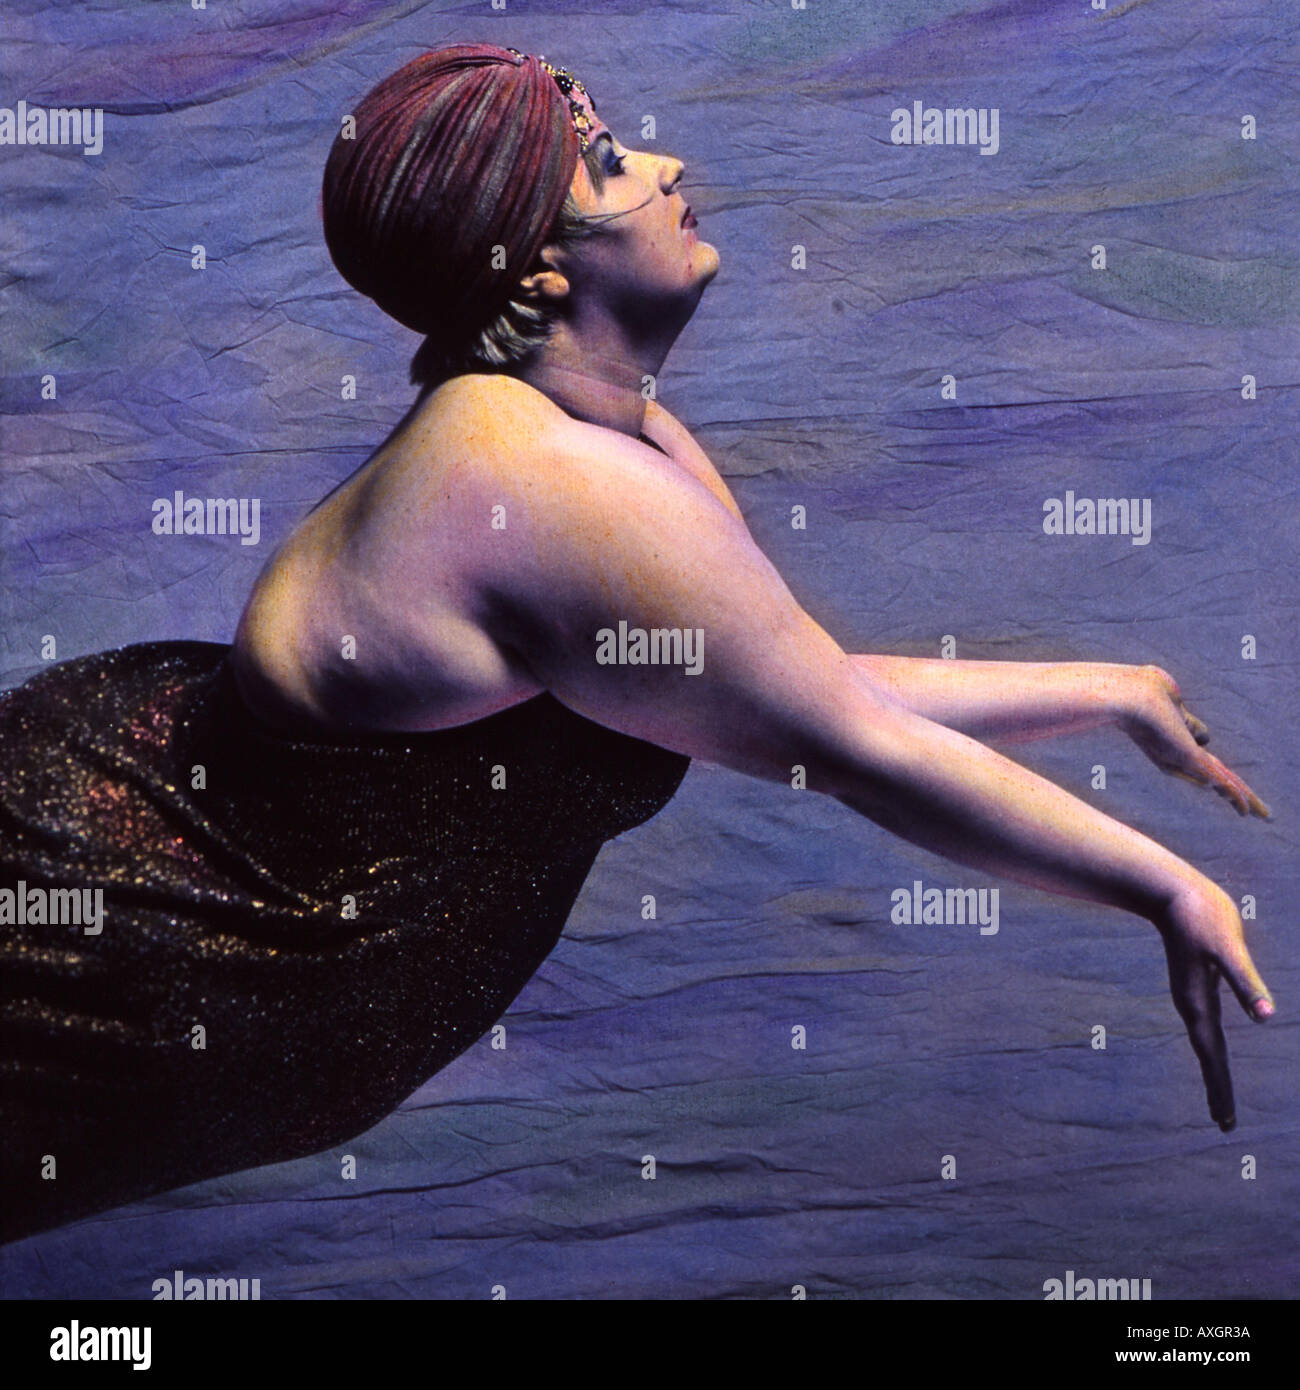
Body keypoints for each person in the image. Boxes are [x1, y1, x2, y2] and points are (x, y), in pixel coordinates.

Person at [0, 43, 1273, 1246]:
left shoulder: (622, 444)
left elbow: (796, 690)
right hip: (107, 940)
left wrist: (1107, 691)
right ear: (540, 270)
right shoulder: (544, 486)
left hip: (213, 973)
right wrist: (1161, 883)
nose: (665, 165)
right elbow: (853, 749)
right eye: (608, 164)